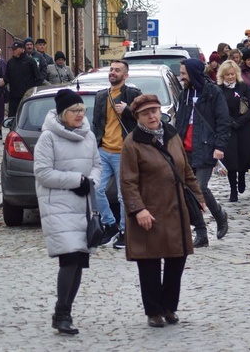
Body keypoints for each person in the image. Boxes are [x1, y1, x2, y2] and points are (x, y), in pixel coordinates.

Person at [120, 94, 206, 328]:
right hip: (150, 211)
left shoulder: (172, 134)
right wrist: (138, 210)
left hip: (176, 209)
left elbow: (186, 170)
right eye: (146, 113)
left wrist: (198, 197)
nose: (152, 116)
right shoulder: (132, 143)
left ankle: (169, 306)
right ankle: (154, 311)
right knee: (148, 262)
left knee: (177, 258)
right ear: (137, 117)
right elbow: (128, 182)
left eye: (155, 110)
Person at [33, 89, 101, 334]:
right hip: (59, 206)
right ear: (63, 113)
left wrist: (90, 182)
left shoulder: (88, 136)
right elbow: (42, 173)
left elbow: (97, 165)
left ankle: (66, 311)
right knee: (69, 258)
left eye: (82, 110)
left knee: (80, 259)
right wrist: (76, 180)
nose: (80, 115)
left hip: (83, 206)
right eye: (74, 110)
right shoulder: (48, 138)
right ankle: (61, 312)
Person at [176, 58, 230, 246]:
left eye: (184, 73)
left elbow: (223, 121)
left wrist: (219, 147)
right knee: (188, 192)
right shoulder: (185, 93)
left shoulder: (213, 92)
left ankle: (219, 214)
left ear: (193, 73)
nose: (181, 77)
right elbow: (180, 120)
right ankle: (201, 233)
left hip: (206, 146)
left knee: (200, 187)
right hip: (185, 148)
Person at [91, 60, 142, 249]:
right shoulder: (101, 96)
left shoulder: (133, 94)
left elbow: (145, 116)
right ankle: (110, 224)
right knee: (95, 189)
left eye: (117, 70)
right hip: (103, 150)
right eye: (111, 69)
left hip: (124, 152)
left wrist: (127, 110)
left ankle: (124, 230)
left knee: (123, 195)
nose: (113, 72)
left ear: (125, 75)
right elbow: (97, 123)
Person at [217, 60, 250, 202]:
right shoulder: (219, 90)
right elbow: (217, 110)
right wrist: (229, 122)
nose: (230, 77)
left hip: (243, 125)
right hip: (228, 127)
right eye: (227, 74)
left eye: (232, 74)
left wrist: (241, 121)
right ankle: (233, 190)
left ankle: (242, 176)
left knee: (244, 155)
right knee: (230, 159)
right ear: (223, 75)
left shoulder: (243, 87)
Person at [5, 40, 43, 116]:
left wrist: (32, 91)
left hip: (27, 97)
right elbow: (6, 77)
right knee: (12, 118)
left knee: (26, 116)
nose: (13, 51)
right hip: (13, 97)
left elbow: (39, 78)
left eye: (15, 49)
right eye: (12, 49)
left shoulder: (30, 61)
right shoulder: (10, 62)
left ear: (22, 49)